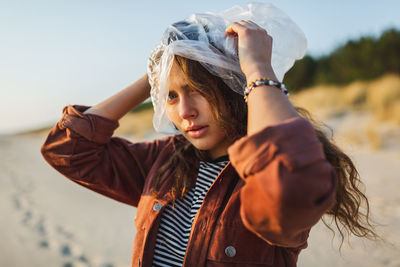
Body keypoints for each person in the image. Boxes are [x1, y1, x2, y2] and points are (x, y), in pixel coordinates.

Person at [41, 4, 378, 267]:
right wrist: (157, 72)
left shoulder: (260, 177)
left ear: (232, 87)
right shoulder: (163, 161)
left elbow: (289, 181)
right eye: (170, 97)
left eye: (198, 89)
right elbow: (69, 150)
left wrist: (257, 69)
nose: (184, 111)